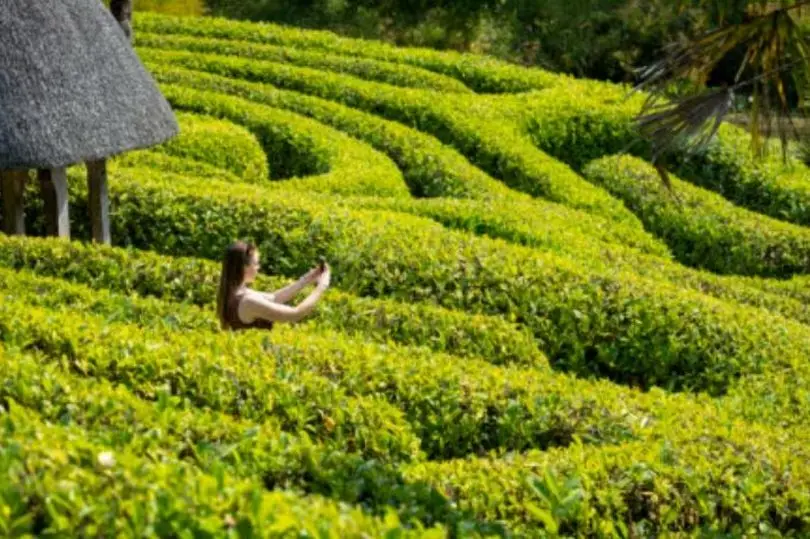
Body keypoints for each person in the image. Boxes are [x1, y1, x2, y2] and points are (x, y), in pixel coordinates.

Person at [216, 240, 330, 331]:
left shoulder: (234, 292)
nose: (258, 267)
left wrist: (306, 279)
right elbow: (296, 313)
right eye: (256, 263)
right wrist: (322, 286)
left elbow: (274, 298)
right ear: (244, 267)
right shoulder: (247, 301)